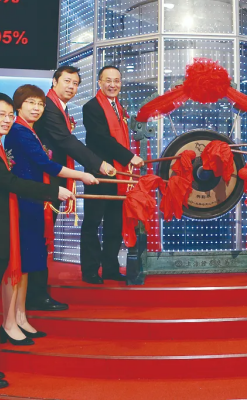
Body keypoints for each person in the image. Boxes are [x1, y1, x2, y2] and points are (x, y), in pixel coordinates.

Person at [0, 93, 74, 390]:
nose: (7, 120)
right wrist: (53, 192)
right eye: (0, 114)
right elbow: (10, 183)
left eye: (10, 115)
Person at [0, 85, 100, 345]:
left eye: (40, 104)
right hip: (24, 203)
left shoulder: (28, 130)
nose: (36, 108)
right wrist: (81, 175)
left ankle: (20, 317)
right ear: (18, 106)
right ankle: (9, 322)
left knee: (27, 265)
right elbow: (45, 164)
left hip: (33, 201)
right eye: (30, 103)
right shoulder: (19, 131)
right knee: (19, 265)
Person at [33, 65, 115, 310]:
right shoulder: (49, 107)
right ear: (54, 81)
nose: (71, 87)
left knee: (44, 235)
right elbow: (65, 140)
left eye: (76, 83)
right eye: (67, 81)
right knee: (40, 236)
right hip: (45, 180)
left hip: (53, 178)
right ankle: (36, 294)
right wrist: (97, 164)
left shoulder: (59, 106)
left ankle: (37, 292)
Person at [80, 65, 144, 284]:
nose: (113, 85)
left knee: (114, 224)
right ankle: (90, 271)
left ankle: (110, 268)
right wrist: (129, 157)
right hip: (99, 173)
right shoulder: (91, 107)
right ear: (99, 82)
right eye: (108, 80)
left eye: (117, 81)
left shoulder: (119, 107)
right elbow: (101, 139)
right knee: (92, 223)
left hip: (119, 176)